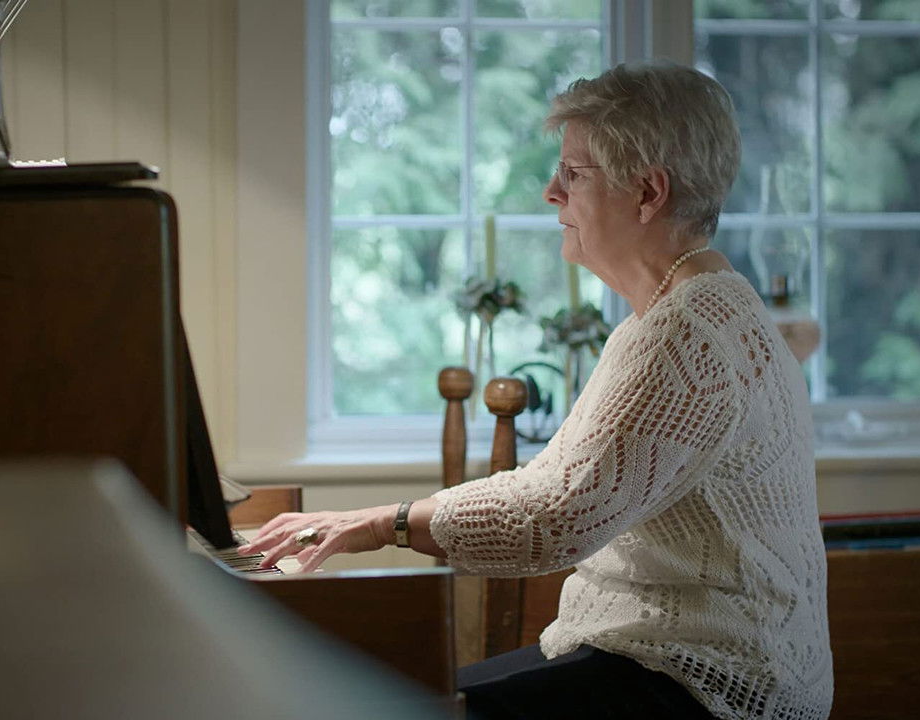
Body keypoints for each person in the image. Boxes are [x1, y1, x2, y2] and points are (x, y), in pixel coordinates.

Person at [240, 61, 833, 720]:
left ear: (648, 192)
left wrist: (385, 523)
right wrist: (382, 518)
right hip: (660, 658)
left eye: (574, 175)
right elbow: (551, 482)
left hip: (709, 685)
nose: (552, 192)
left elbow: (553, 519)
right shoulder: (684, 312)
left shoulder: (688, 333)